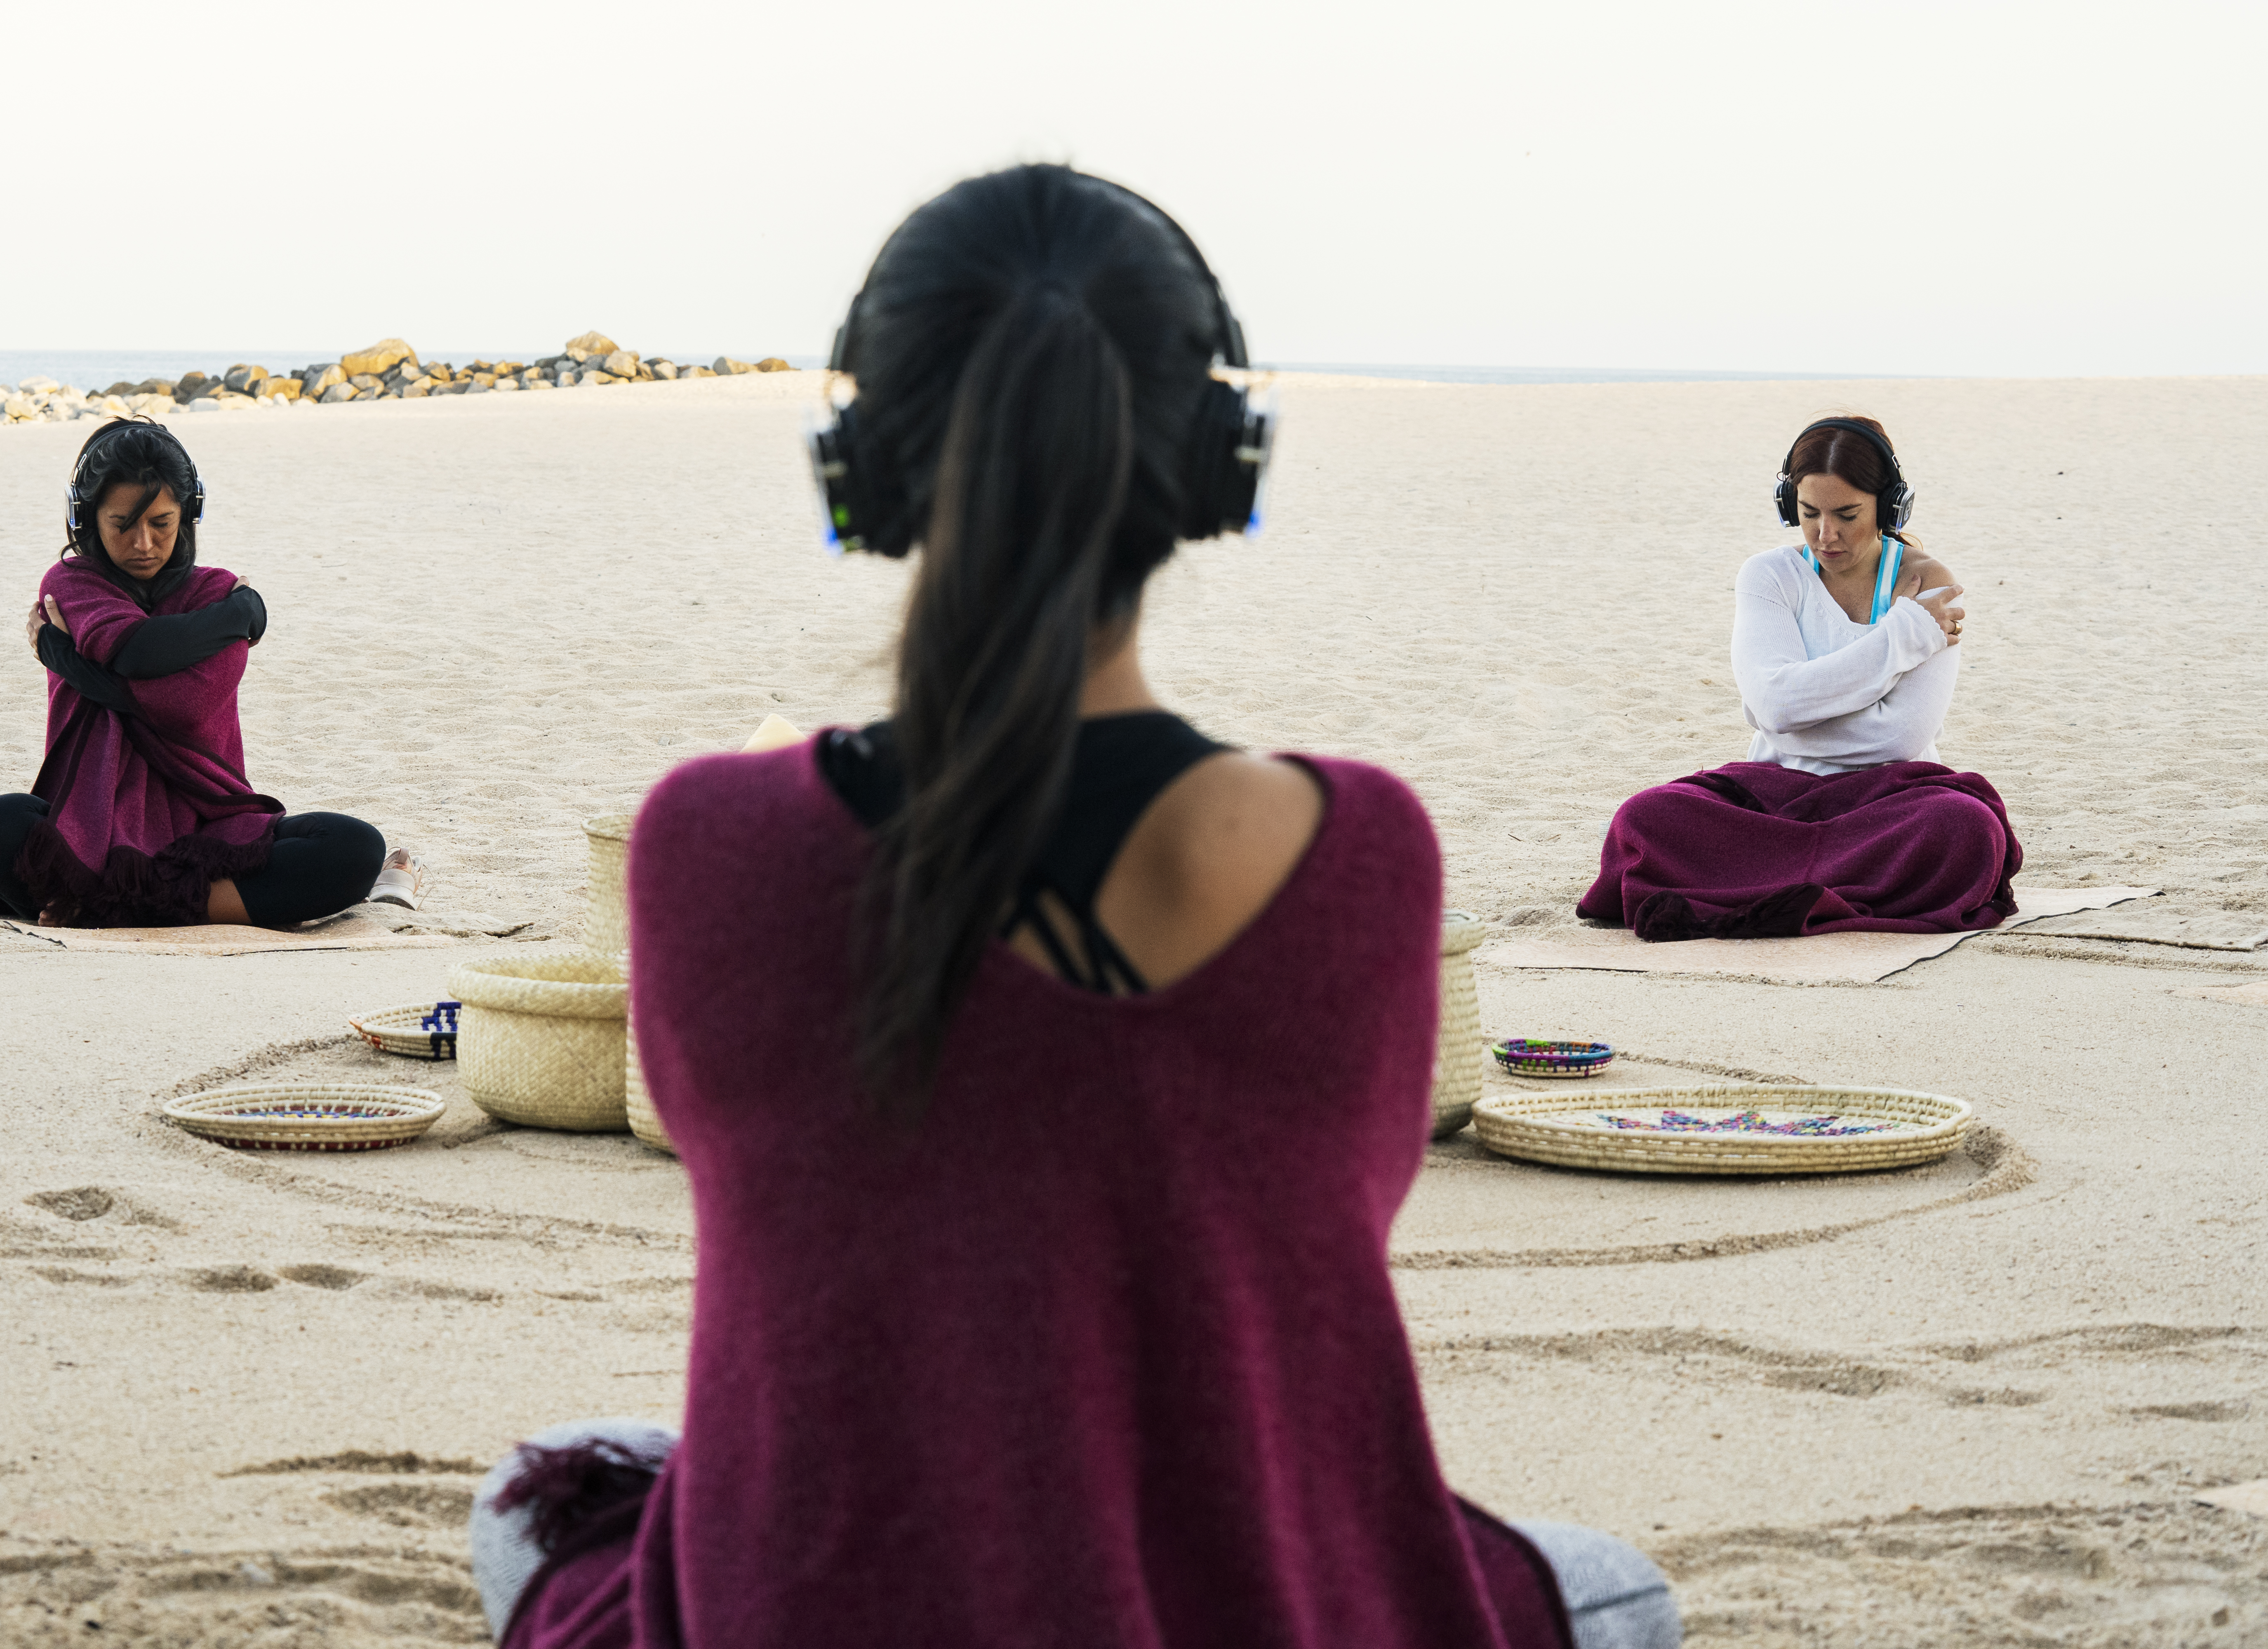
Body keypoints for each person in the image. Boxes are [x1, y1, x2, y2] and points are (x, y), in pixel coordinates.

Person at [468, 165, 1682, 1649]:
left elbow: (720, 1126)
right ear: (1216, 461)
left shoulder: (706, 841)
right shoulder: (1362, 852)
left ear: (860, 463)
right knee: (1615, 1582)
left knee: (543, 1490)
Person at [0, 418, 405, 927]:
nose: (143, 543)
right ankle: (178, 907)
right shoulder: (74, 583)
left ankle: (107, 907)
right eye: (123, 524)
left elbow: (182, 707)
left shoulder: (215, 591)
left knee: (354, 847)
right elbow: (138, 653)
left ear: (188, 515)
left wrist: (65, 658)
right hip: (92, 824)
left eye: (161, 523)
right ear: (87, 519)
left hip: (210, 822)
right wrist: (243, 615)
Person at [1579, 415, 2020, 940]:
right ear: (1790, 506)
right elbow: (1774, 709)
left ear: (1888, 505)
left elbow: (1901, 736)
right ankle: (1817, 886)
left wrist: (1797, 712)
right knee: (1646, 817)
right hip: (1772, 797)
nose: (1825, 535)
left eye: (1847, 515)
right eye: (1809, 514)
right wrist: (1902, 638)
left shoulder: (1928, 583)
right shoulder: (1769, 576)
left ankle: (1766, 885)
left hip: (1889, 800)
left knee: (1965, 829)